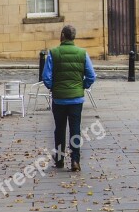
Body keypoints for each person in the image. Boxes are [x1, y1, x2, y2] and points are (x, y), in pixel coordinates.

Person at [42, 25, 96, 172]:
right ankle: (75, 161)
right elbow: (92, 76)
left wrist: (53, 87)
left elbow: (46, 77)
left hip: (59, 99)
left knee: (59, 129)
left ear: (62, 35)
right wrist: (82, 86)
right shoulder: (82, 53)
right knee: (75, 130)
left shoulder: (53, 53)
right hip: (76, 99)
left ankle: (59, 160)